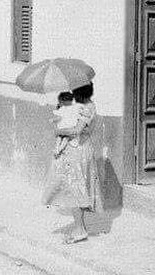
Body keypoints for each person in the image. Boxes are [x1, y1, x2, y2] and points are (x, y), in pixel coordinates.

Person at [42, 83, 100, 244]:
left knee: (76, 189)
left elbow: (76, 130)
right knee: (75, 188)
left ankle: (80, 229)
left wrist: (58, 131)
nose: (74, 96)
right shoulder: (82, 105)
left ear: (81, 93)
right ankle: (79, 227)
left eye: (76, 93)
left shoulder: (88, 108)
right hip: (77, 150)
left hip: (79, 151)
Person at [51, 91, 86, 158]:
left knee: (61, 138)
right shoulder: (71, 107)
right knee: (64, 139)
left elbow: (58, 116)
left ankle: (57, 149)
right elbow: (81, 109)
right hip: (68, 127)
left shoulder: (67, 108)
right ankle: (58, 150)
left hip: (65, 127)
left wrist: (54, 120)